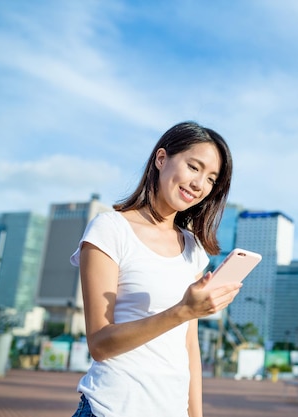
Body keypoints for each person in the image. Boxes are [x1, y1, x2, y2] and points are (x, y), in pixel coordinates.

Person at [70, 121, 242, 417]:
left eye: (212, 179)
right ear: (161, 159)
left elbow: (190, 348)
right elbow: (99, 343)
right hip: (110, 409)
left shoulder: (193, 249)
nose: (200, 184)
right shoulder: (111, 229)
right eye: (193, 167)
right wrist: (182, 311)